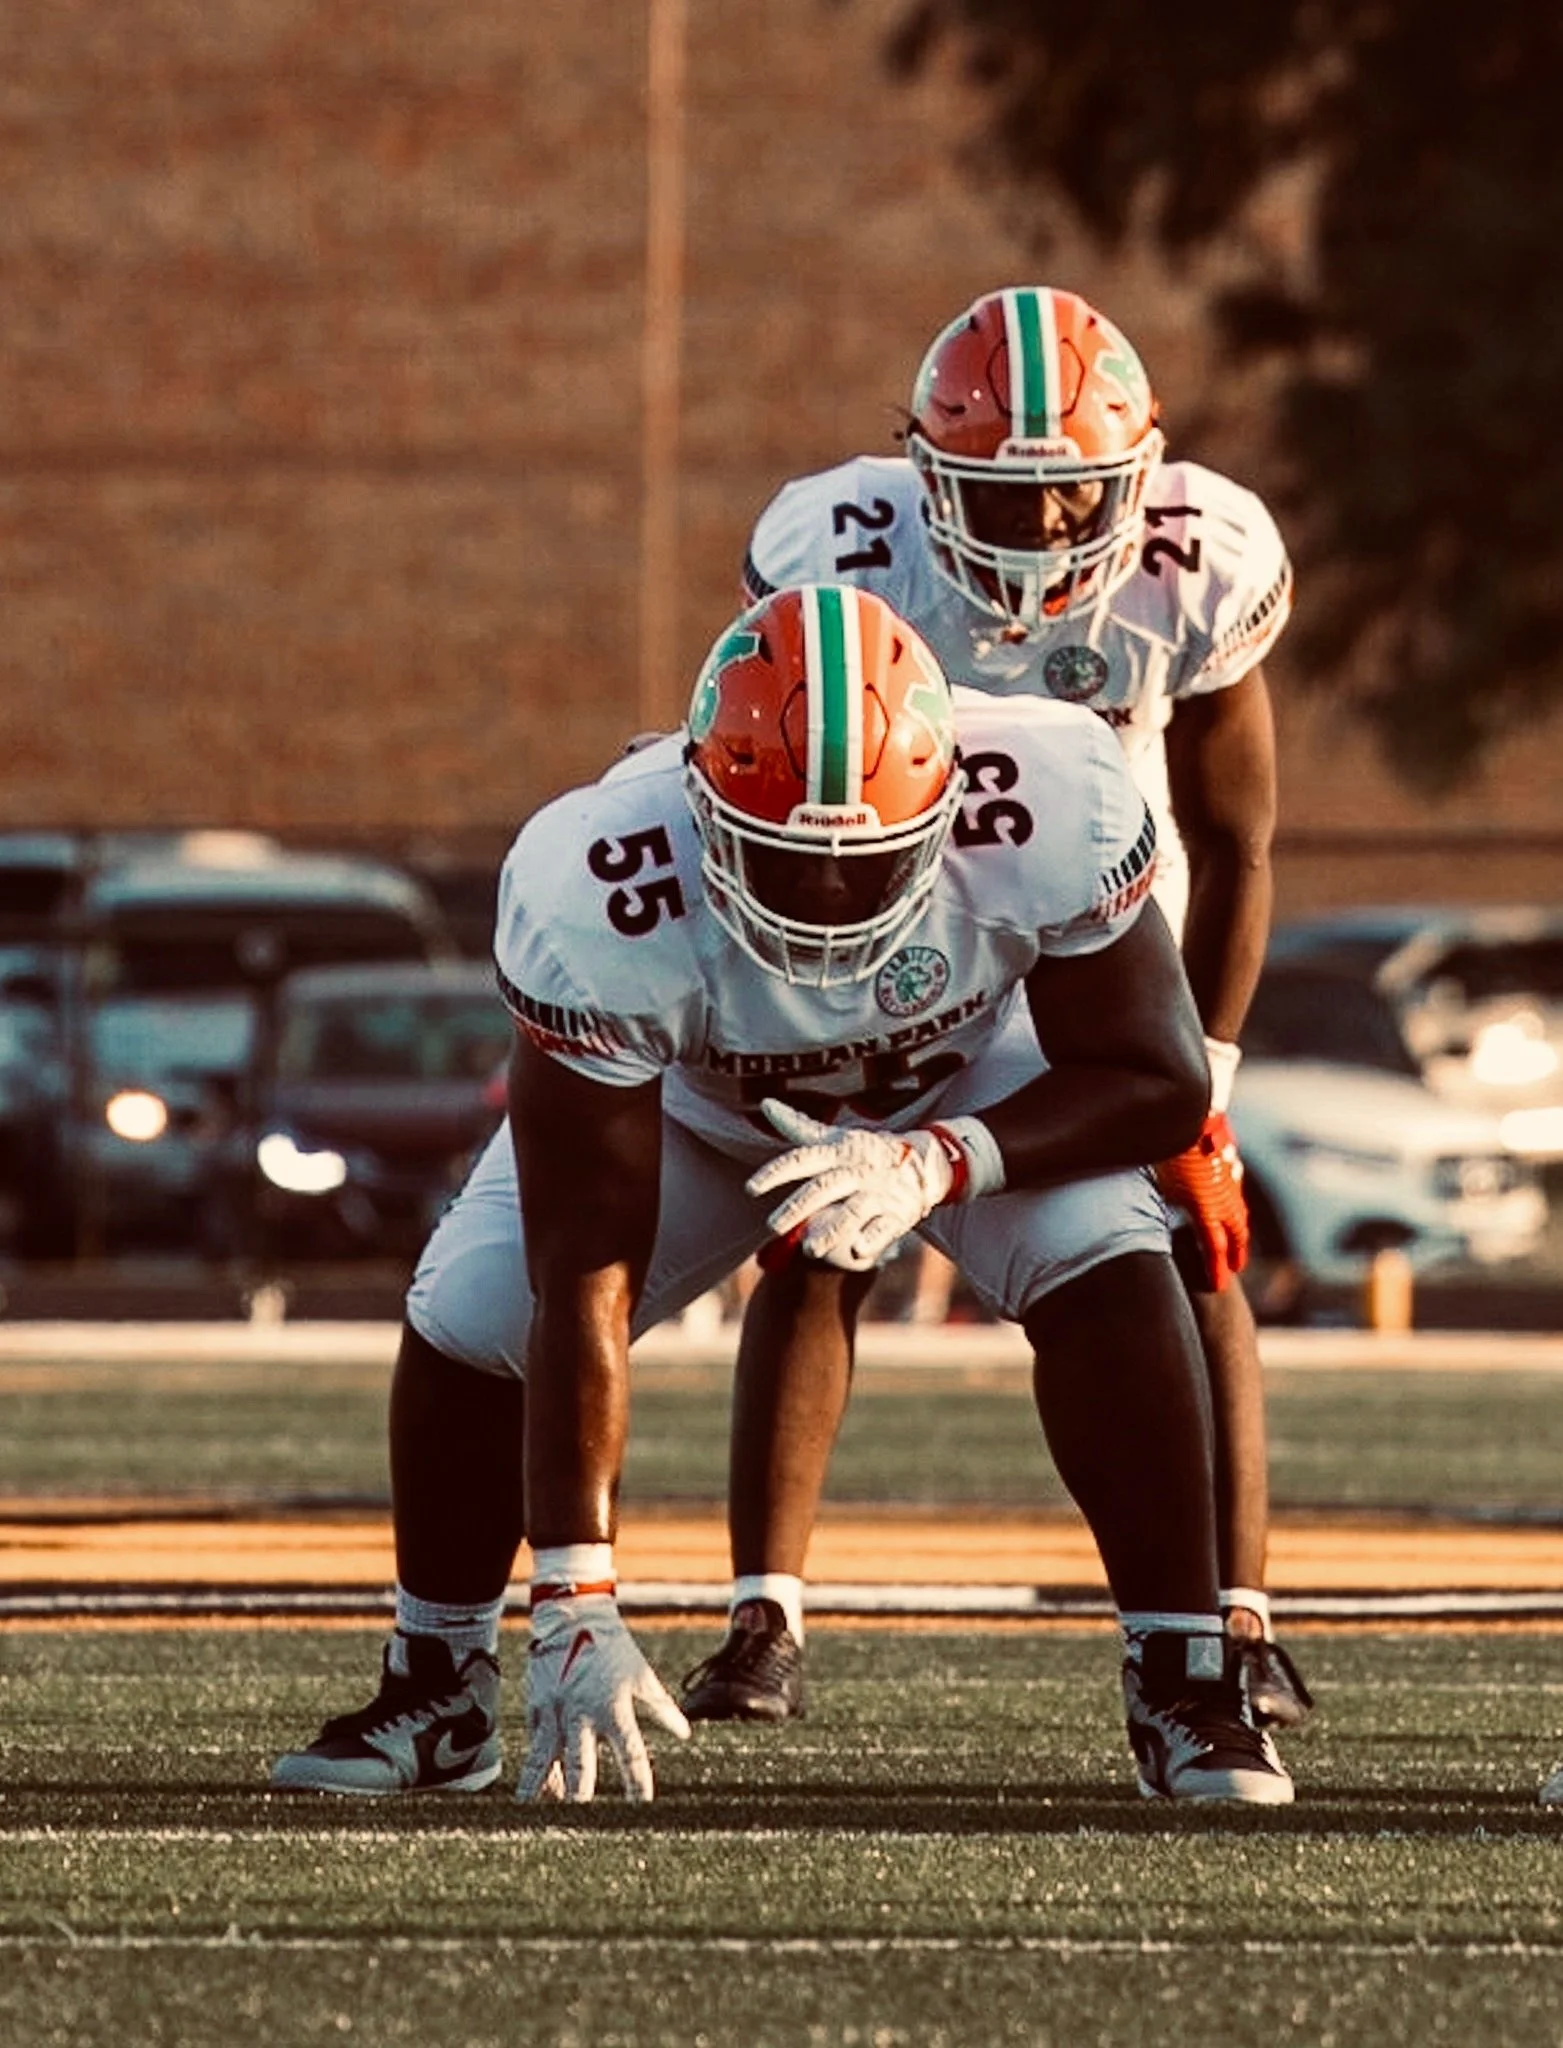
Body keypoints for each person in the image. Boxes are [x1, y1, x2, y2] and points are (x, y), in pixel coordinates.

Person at [270, 582, 1292, 1806]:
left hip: (968, 1077)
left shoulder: (1054, 789)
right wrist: (576, 1594)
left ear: (950, 801)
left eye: (863, 861)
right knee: (475, 1309)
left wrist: (944, 1158)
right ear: (699, 806)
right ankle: (438, 1684)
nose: (822, 899)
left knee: (1107, 1252)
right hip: (711, 1103)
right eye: (783, 857)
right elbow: (583, 1257)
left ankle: (1186, 1679)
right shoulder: (592, 883)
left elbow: (1158, 1078)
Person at [682, 284, 1311, 1732]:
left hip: (1097, 933)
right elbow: (761, 746)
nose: (1034, 532)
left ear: (1137, 477)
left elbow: (1235, 843)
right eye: (992, 493)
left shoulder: (1191, 566)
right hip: (889, 915)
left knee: (1172, 1230)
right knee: (820, 1219)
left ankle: (1234, 1616)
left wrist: (1201, 1081)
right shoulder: (838, 544)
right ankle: (761, 1616)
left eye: (1070, 496)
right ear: (917, 470)